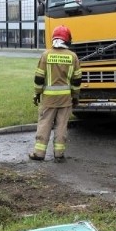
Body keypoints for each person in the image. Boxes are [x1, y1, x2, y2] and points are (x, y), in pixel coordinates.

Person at [29, 25, 82, 163]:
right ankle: (59, 154)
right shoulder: (73, 56)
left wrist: (37, 94)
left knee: (44, 124)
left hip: (48, 100)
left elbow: (39, 78)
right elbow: (77, 80)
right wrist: (75, 97)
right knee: (61, 126)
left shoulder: (46, 55)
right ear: (67, 39)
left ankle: (39, 153)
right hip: (65, 99)